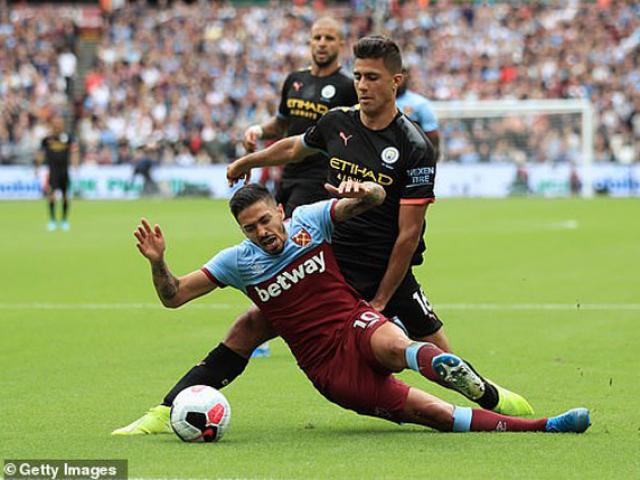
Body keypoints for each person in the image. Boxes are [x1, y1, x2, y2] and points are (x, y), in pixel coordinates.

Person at [112, 36, 533, 436]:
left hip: (385, 264)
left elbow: (408, 235)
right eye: (358, 76)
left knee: (433, 342)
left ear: (395, 82)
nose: (362, 86)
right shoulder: (337, 122)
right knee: (250, 328)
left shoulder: (414, 146)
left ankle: (490, 395)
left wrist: (383, 299)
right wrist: (250, 160)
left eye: (372, 77)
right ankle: (167, 410)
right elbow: (294, 147)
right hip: (332, 258)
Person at [131, 181, 590, 434]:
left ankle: (542, 423)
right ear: (242, 231)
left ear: (281, 212)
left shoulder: (311, 220)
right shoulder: (237, 262)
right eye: (250, 228)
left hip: (355, 323)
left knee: (395, 342)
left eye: (266, 220)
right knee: (433, 416)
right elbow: (175, 297)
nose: (262, 232)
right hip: (328, 369)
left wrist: (365, 190)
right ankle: (525, 422)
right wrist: (159, 263)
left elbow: (369, 202)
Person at [243, 16, 358, 217]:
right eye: (317, 37)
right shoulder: (295, 79)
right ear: (310, 42)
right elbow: (281, 123)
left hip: (320, 176)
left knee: (290, 233)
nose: (322, 43)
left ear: (341, 44)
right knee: (278, 230)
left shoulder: (348, 87)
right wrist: (257, 130)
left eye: (329, 38)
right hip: (289, 172)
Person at [35, 115, 79, 231]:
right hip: (52, 171)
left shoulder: (68, 138)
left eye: (59, 123)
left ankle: (64, 220)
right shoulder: (47, 140)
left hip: (64, 171)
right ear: (52, 124)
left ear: (62, 125)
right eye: (55, 123)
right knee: (51, 196)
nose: (57, 125)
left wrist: (75, 167)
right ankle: (52, 220)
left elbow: (74, 153)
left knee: (65, 196)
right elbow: (41, 154)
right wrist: (37, 167)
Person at [396, 67, 440, 160]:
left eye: (403, 75)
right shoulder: (377, 103)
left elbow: (433, 139)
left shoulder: (419, 103)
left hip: (411, 161)